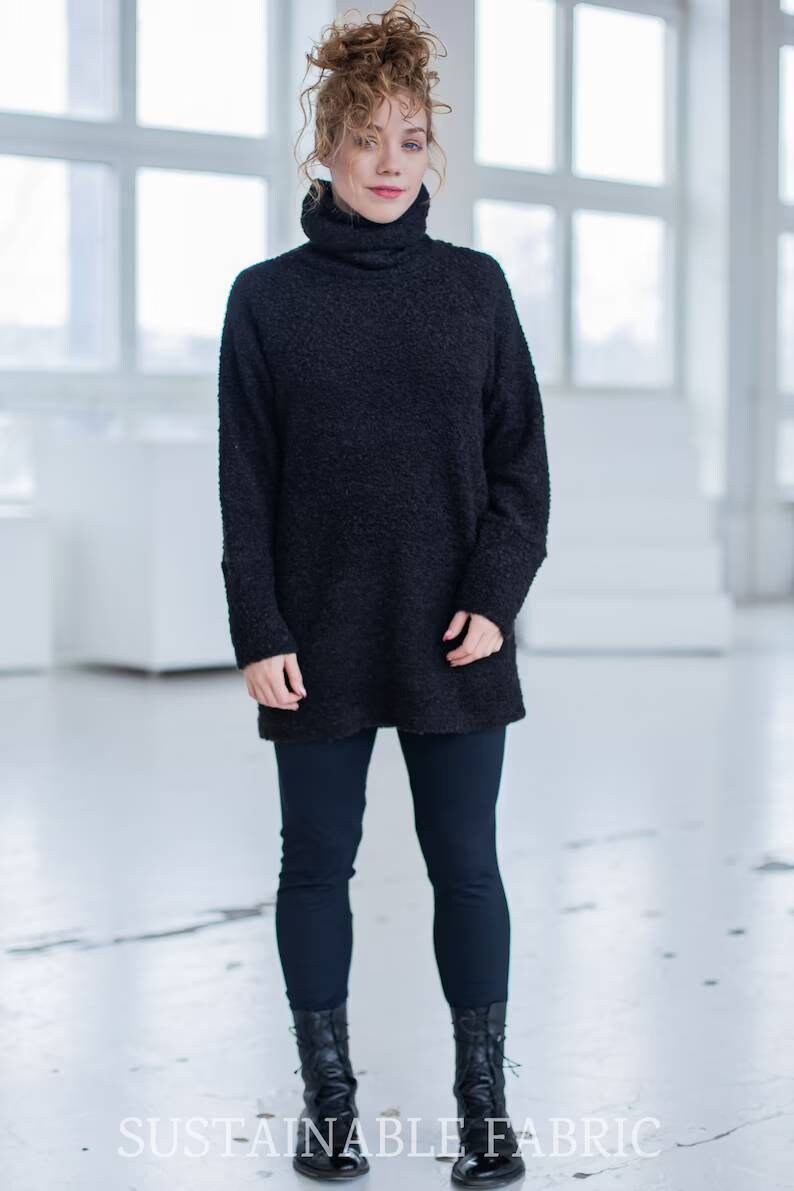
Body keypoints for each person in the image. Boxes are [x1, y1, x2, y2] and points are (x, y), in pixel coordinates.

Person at [217, 3, 550, 1185]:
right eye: (366, 140)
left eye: (410, 140)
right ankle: (328, 1105)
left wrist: (494, 598)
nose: (390, 163)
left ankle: (483, 1108)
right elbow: (244, 483)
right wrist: (258, 627)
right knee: (315, 864)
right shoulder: (265, 299)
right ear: (325, 149)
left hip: (456, 631)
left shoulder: (474, 288)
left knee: (466, 864)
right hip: (314, 636)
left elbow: (519, 466)